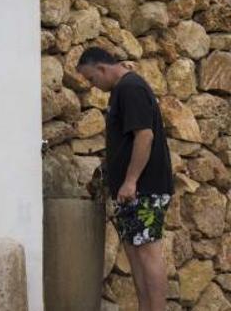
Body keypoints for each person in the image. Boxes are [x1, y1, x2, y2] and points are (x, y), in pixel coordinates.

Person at [76, 47, 174, 311]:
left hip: (144, 188)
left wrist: (131, 181)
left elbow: (145, 136)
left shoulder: (130, 88)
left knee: (147, 253)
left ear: (102, 68)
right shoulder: (122, 89)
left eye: (91, 79)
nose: (92, 85)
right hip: (129, 191)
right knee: (134, 253)